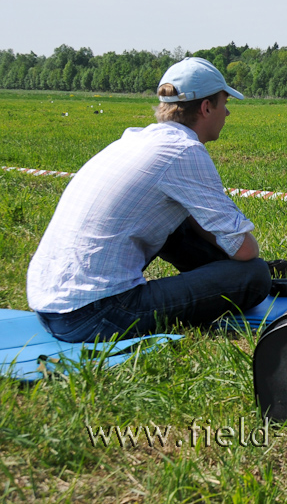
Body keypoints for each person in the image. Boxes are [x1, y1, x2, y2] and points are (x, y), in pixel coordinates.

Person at [27, 58, 271, 341]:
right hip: (94, 315)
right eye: (224, 102)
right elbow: (244, 250)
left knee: (178, 223)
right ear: (206, 108)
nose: (227, 112)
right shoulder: (184, 151)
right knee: (254, 275)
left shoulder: (132, 140)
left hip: (49, 305)